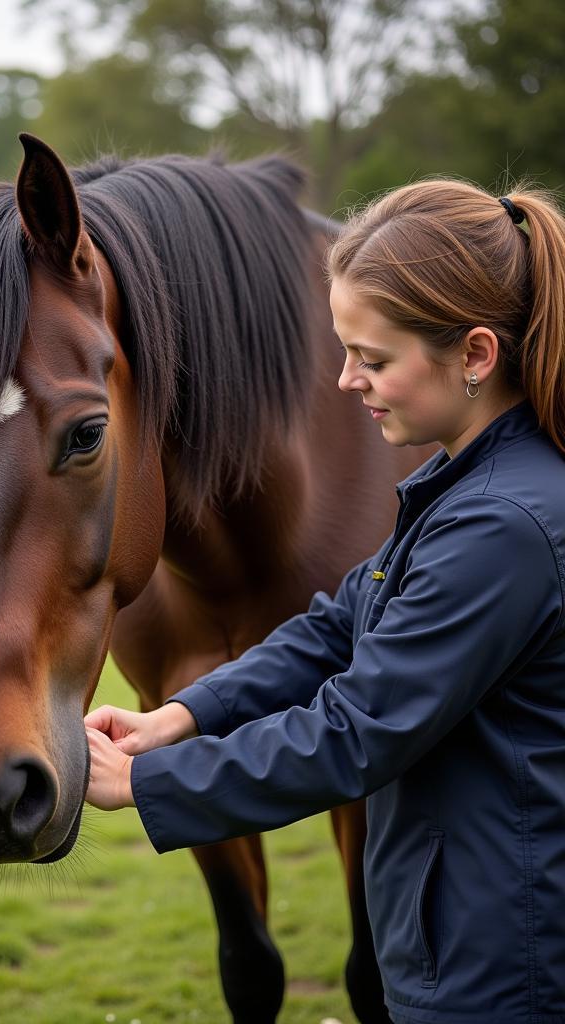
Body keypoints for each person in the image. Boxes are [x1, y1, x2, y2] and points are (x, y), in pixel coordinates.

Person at [84, 180, 565, 1024]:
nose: (346, 381)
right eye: (343, 352)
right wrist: (182, 716)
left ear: (477, 355)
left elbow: (355, 733)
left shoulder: (501, 526)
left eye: (373, 359)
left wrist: (150, 782)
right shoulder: (465, 487)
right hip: (464, 939)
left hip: (500, 969)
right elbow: (340, 622)